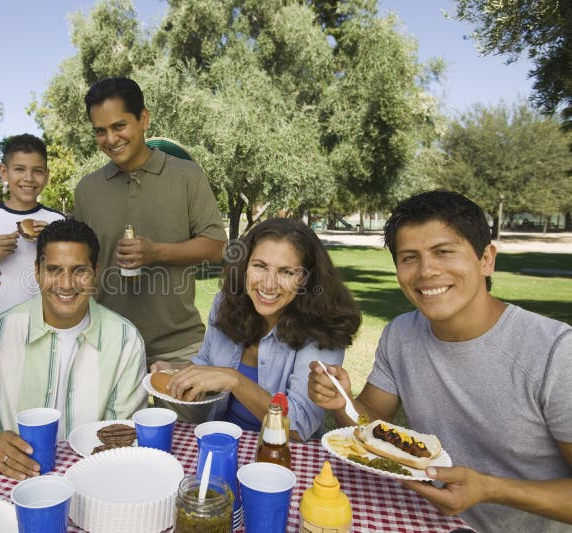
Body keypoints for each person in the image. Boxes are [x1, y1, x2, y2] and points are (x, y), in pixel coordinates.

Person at [307, 190, 572, 532]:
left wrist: (490, 489)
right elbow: (370, 425)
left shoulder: (555, 352)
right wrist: (340, 399)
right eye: (409, 257)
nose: (426, 271)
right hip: (428, 521)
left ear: (486, 259)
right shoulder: (401, 333)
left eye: (444, 252)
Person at [0, 219, 148, 480]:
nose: (66, 284)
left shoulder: (125, 340)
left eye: (79, 270)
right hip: (10, 481)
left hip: (93, 478)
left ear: (95, 272)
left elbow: (120, 431)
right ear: (37, 272)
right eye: (54, 270)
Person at [152, 218, 361, 439]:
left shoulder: (324, 326)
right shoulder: (227, 302)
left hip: (282, 454)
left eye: (287, 272)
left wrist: (235, 380)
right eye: (260, 266)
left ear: (306, 279)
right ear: (245, 266)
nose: (269, 284)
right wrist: (175, 370)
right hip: (222, 438)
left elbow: (299, 425)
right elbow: (206, 361)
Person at [74, 77, 226, 368]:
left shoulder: (187, 176)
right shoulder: (86, 190)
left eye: (119, 126)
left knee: (189, 417)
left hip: (180, 345)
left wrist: (156, 253)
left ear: (143, 119)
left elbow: (216, 246)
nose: (110, 139)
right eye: (100, 131)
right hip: (107, 344)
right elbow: (82, 265)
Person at [0, 133, 64, 316]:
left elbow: (71, 270)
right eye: (19, 169)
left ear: (46, 175)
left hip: (48, 324)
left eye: (37, 171)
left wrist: (52, 241)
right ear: (4, 172)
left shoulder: (57, 221)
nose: (28, 178)